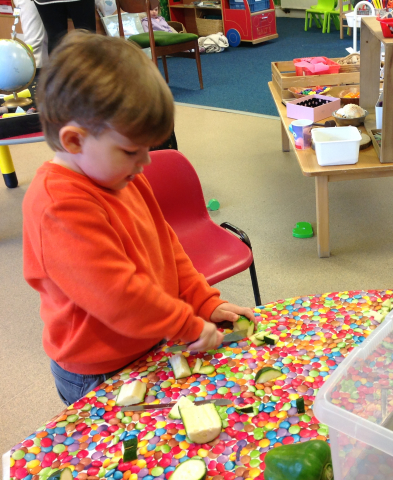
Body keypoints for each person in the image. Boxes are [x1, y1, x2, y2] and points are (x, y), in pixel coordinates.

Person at [22, 31, 255, 406]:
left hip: (147, 341)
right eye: (132, 150)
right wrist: (186, 325)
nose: (145, 162)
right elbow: (118, 297)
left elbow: (168, 248)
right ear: (74, 141)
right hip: (98, 369)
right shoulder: (58, 207)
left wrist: (202, 300)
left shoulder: (121, 175)